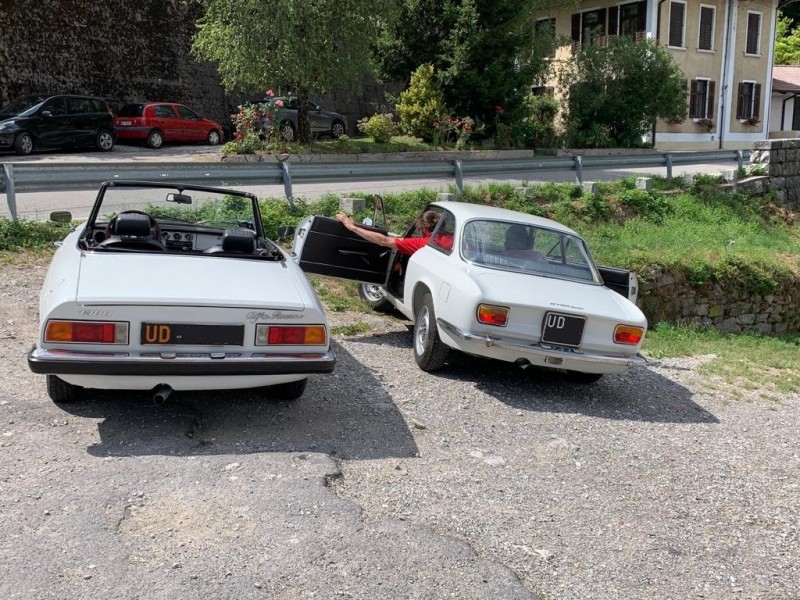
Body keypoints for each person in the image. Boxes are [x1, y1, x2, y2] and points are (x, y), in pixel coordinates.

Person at [335, 209, 440, 256]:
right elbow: (402, 239)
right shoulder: (452, 237)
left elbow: (383, 240)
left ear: (424, 229)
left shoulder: (422, 244)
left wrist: (352, 227)